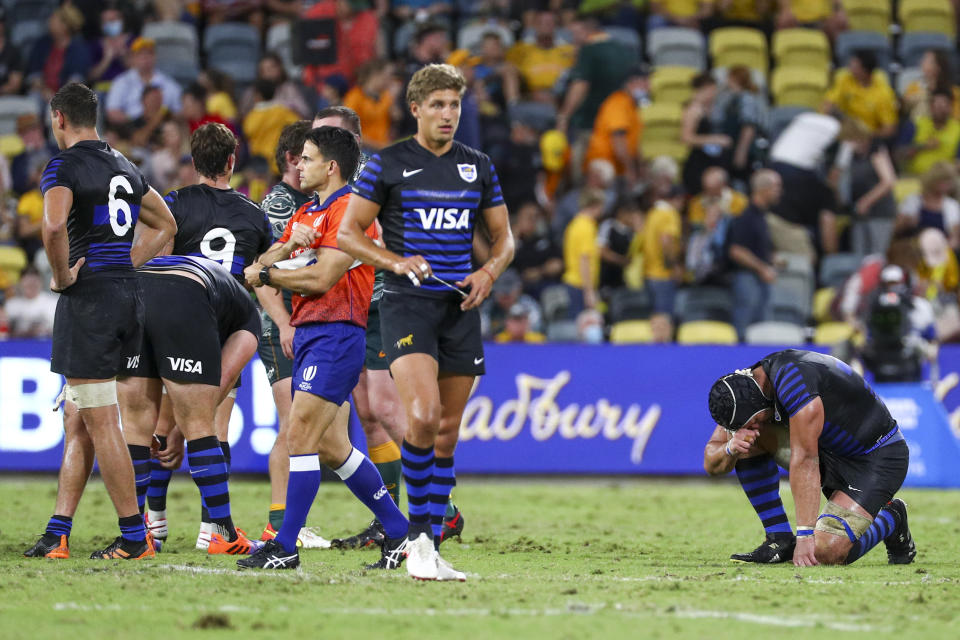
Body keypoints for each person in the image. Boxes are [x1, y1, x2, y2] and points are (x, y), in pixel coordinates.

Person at [338, 63, 514, 581]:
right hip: (406, 302)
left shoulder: (477, 165)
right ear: (415, 108)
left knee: (446, 435)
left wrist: (489, 271)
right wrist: (395, 261)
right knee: (421, 414)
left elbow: (504, 239)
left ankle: (430, 546)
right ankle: (416, 540)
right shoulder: (388, 164)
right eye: (437, 104)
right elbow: (349, 233)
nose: (447, 114)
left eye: (454, 105)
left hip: (459, 305)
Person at [240, 126, 409, 571]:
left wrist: (270, 274)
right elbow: (264, 259)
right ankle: (397, 531)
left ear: (331, 167)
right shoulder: (312, 211)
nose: (298, 164)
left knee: (299, 436)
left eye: (308, 158)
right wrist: (278, 256)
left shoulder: (350, 212)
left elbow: (319, 278)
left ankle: (286, 545)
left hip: (337, 333)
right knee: (334, 447)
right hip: (314, 332)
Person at [25, 83, 176, 560]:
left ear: (58, 118)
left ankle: (135, 537)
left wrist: (61, 275)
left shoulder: (63, 166)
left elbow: (52, 226)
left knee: (101, 420)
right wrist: (127, 265)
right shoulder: (124, 165)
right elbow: (166, 224)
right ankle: (59, 531)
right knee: (81, 418)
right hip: (128, 300)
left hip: (89, 302)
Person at [143, 122, 272, 549]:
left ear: (193, 162)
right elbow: (261, 277)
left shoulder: (173, 205)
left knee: (164, 425)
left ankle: (154, 525)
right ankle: (212, 531)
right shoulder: (255, 215)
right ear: (232, 162)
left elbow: (156, 263)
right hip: (227, 328)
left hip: (177, 322)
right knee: (214, 426)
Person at [707, 350, 917, 567]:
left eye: (755, 420)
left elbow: (806, 461)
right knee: (747, 441)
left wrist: (806, 536)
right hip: (829, 450)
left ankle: (892, 518)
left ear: (759, 403)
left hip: (876, 457)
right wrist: (731, 447)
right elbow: (711, 461)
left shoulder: (794, 384)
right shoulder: (744, 391)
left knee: (825, 552)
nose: (752, 427)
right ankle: (779, 538)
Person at [118, 255, 262, 555]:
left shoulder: (221, 296)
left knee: (136, 423)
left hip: (132, 286)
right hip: (184, 290)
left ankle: (135, 536)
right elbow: (211, 395)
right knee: (200, 423)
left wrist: (171, 429)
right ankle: (223, 534)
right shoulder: (248, 318)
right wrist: (181, 431)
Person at [254, 120, 330, 548]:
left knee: (303, 427)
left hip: (305, 326)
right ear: (291, 159)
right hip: (281, 326)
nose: (310, 163)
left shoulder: (309, 201)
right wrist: (283, 324)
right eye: (307, 155)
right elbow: (270, 271)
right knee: (291, 426)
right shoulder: (280, 203)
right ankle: (280, 525)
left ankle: (286, 523)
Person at [727, 169, 781, 341]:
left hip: (757, 281)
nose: (780, 191)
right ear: (763, 189)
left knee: (761, 333)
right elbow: (736, 250)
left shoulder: (760, 216)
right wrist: (762, 268)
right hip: (748, 281)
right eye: (776, 187)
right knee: (745, 331)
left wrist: (771, 259)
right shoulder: (747, 216)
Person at [584, 63, 648, 189]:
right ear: (630, 83)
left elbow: (634, 144)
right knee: (609, 175)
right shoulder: (618, 102)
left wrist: (640, 167)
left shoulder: (632, 105)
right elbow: (618, 142)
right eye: (644, 81)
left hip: (619, 165)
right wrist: (630, 170)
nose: (648, 86)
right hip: (603, 161)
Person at [105, 37, 182, 128]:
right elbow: (112, 113)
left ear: (155, 57)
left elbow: (180, 113)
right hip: (130, 129)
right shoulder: (121, 81)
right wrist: (135, 121)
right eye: (140, 54)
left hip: (162, 130)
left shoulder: (168, 84)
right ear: (132, 58)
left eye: (149, 53)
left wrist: (162, 118)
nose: (145, 57)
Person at [822, 49, 897, 140]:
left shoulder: (884, 94)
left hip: (868, 137)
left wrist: (866, 137)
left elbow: (889, 129)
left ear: (865, 71)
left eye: (854, 67)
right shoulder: (845, 78)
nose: (850, 69)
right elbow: (828, 104)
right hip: (842, 127)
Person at [643, 185, 684, 342]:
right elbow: (666, 240)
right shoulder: (669, 214)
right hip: (663, 274)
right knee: (664, 323)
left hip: (650, 273)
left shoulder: (653, 213)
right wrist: (674, 266)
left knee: (655, 320)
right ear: (677, 200)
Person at [681, 73, 732, 195]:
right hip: (699, 163)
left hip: (711, 159)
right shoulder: (693, 110)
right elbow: (686, 138)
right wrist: (715, 140)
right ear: (705, 88)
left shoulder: (708, 109)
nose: (714, 94)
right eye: (712, 90)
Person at [896, 161, 960, 251]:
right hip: (914, 250)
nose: (945, 185)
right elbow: (896, 230)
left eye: (948, 181)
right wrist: (906, 223)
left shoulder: (952, 206)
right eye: (941, 181)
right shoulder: (913, 201)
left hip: (941, 251)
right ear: (932, 180)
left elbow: (955, 238)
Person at [243, 80, 301, 175]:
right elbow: (298, 124)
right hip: (277, 161)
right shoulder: (282, 111)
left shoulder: (251, 116)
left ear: (257, 95)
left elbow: (247, 132)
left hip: (258, 162)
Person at [899, 89, 960, 178]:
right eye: (938, 107)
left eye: (944, 107)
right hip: (914, 177)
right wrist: (922, 146)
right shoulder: (915, 125)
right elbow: (898, 154)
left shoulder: (958, 129)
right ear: (931, 107)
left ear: (950, 108)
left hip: (946, 180)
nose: (941, 111)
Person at [3, 268, 58, 338]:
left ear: (41, 282)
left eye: (34, 282)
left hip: (45, 345)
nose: (31, 284)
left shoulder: (53, 303)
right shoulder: (11, 304)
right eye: (27, 282)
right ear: (20, 283)